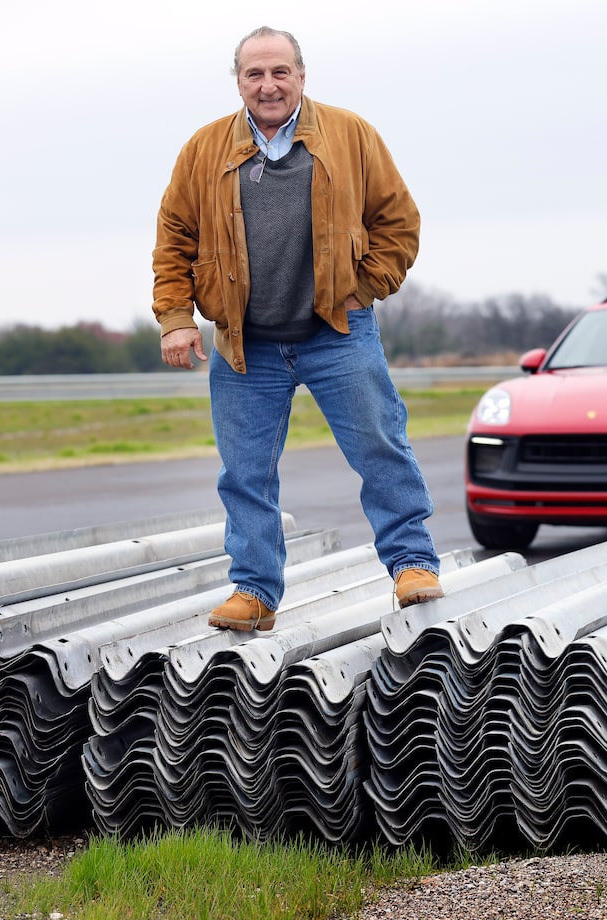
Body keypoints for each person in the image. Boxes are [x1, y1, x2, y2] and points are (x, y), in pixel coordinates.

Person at [152, 25, 444, 632]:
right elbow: (174, 237)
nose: (268, 85)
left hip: (337, 331)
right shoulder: (204, 149)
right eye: (255, 74)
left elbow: (398, 222)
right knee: (245, 473)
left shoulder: (350, 134)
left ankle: (412, 563)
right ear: (238, 81)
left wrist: (361, 288)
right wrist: (177, 318)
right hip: (245, 344)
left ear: (302, 76)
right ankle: (254, 593)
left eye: (280, 72)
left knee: (379, 447)